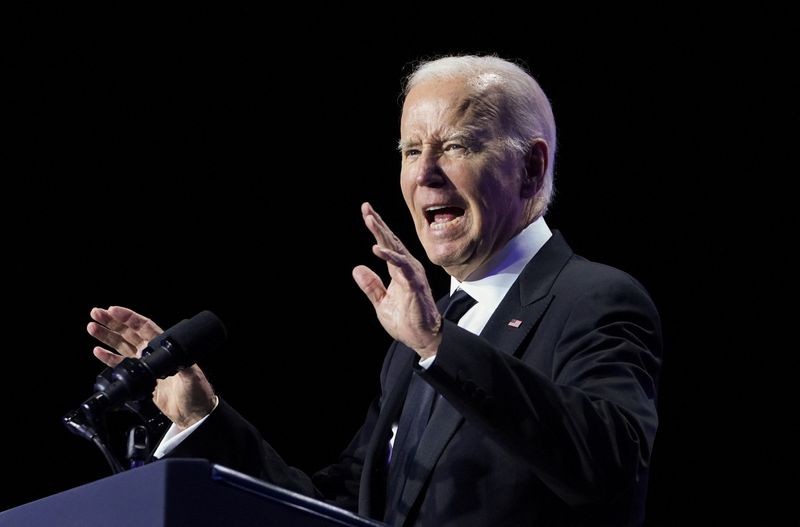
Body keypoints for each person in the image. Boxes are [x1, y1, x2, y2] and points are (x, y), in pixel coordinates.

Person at [87, 55, 662, 526]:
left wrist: (438, 346)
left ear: (532, 169)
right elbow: (338, 510)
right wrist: (201, 419)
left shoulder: (593, 299)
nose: (425, 174)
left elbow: (610, 467)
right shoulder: (421, 336)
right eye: (411, 151)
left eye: (457, 145)